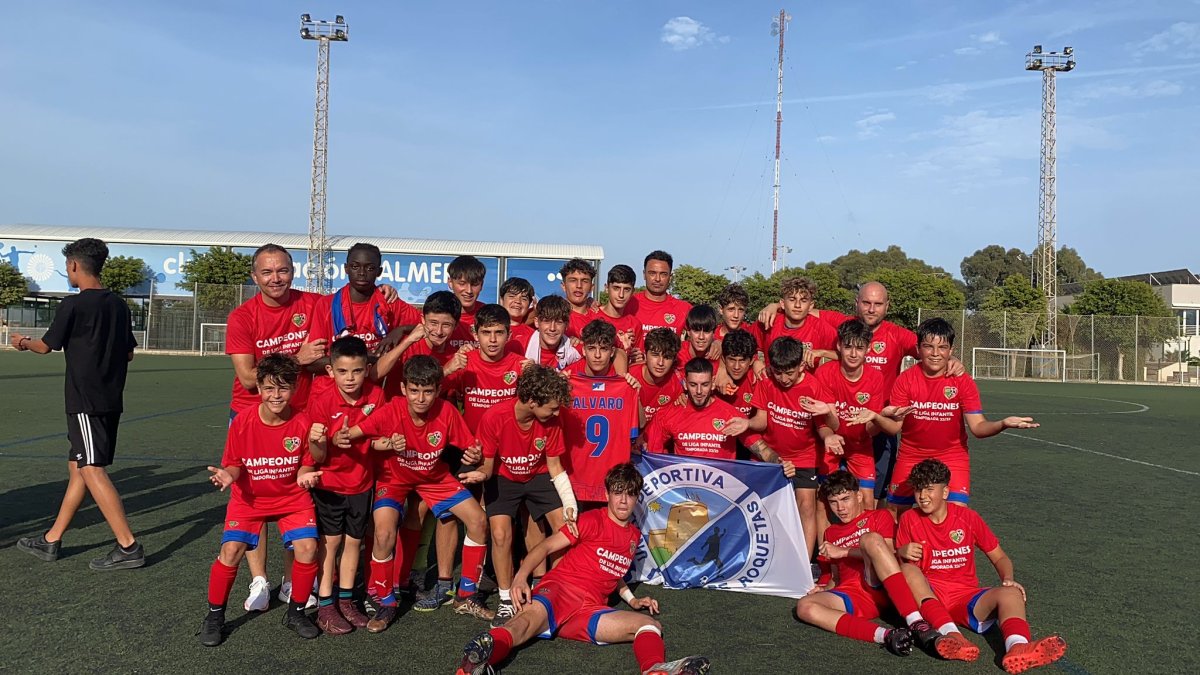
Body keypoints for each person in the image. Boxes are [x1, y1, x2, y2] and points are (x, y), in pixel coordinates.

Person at [454, 463, 710, 675]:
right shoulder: (590, 520)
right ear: (608, 494)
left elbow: (612, 573)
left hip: (589, 609)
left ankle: (655, 670)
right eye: (618, 492)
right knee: (523, 624)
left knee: (648, 625)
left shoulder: (633, 535)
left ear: (636, 498)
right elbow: (544, 547)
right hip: (561, 591)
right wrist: (521, 578)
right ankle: (476, 662)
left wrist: (633, 599)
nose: (623, 500)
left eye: (630, 494)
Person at [12, 237, 145, 570]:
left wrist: (23, 342)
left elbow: (46, 346)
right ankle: (51, 540)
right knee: (78, 469)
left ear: (73, 265)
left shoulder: (73, 305)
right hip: (111, 398)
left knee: (90, 468)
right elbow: (128, 352)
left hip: (85, 400)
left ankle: (128, 547)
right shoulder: (118, 305)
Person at [335, 355, 493, 629]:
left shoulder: (446, 411)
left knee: (478, 520)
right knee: (383, 531)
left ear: (437, 390)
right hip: (392, 479)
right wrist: (362, 440)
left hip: (434, 478)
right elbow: (352, 437)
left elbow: (470, 447)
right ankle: (386, 602)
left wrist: (474, 452)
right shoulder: (391, 410)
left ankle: (466, 596)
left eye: (428, 391)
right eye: (415, 390)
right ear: (404, 389)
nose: (421, 398)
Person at [224, 243, 326, 610]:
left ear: (292, 271)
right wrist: (298, 359)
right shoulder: (242, 317)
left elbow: (354, 302)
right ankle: (259, 582)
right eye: (266, 272)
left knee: (293, 495)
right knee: (253, 496)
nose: (275, 278)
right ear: (254, 277)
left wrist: (387, 295)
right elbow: (249, 378)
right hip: (250, 416)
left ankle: (288, 582)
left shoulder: (312, 303)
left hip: (295, 416)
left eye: (281, 270)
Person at [896, 459, 1067, 672]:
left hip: (966, 597)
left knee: (1011, 593)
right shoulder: (909, 519)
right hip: (931, 595)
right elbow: (897, 576)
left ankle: (1017, 647)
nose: (922, 496)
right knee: (908, 570)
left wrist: (1008, 578)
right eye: (918, 489)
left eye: (930, 489)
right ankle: (954, 638)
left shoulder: (968, 518)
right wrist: (900, 553)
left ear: (946, 492)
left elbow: (1000, 557)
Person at [198, 354, 323, 646]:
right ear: (259, 387)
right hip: (249, 499)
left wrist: (306, 475)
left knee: (308, 547)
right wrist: (228, 476)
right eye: (269, 388)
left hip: (291, 497)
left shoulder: (302, 422)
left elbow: (306, 463)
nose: (275, 395)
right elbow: (233, 463)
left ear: (293, 388)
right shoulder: (242, 422)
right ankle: (214, 616)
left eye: (282, 388)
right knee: (230, 550)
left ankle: (296, 612)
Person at [458, 365, 580, 626]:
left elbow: (555, 467)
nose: (558, 412)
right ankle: (505, 600)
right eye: (553, 408)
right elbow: (488, 468)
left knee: (565, 529)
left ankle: (552, 591)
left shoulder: (552, 421)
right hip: (503, 478)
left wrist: (570, 504)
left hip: (538, 476)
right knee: (501, 534)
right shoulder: (495, 417)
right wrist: (479, 475)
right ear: (533, 402)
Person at [887, 318, 1038, 512]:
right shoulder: (905, 380)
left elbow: (978, 428)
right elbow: (895, 426)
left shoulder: (962, 382)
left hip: (952, 457)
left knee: (956, 514)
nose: (935, 353)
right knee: (895, 513)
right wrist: (878, 417)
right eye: (928, 347)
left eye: (942, 347)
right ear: (918, 349)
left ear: (951, 351)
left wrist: (1003, 423)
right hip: (911, 456)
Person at [796, 471, 939, 657]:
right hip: (853, 595)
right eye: (834, 502)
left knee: (870, 539)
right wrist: (824, 589)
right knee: (805, 606)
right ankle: (887, 636)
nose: (840, 508)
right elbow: (836, 578)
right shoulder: (831, 533)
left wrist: (844, 551)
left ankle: (915, 621)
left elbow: (889, 555)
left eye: (846, 499)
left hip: (881, 585)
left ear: (859, 495)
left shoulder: (879, 517)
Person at [303, 336, 384, 634]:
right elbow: (316, 455)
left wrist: (385, 441)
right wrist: (326, 443)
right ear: (330, 371)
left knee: (354, 543)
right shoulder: (322, 402)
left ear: (367, 369)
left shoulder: (376, 396)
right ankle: (326, 605)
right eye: (343, 371)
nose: (350, 378)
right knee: (331, 543)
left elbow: (378, 436)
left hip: (362, 483)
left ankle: (347, 601)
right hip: (330, 486)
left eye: (357, 371)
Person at [741, 336, 838, 560]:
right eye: (778, 372)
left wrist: (829, 435)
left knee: (806, 506)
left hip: (804, 458)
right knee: (762, 506)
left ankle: (802, 564)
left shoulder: (814, 386)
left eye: (789, 373)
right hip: (771, 457)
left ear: (801, 365)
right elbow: (762, 421)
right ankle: (759, 558)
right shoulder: (766, 382)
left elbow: (825, 426)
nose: (783, 378)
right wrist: (747, 423)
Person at [305, 243, 422, 399]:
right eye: (355, 266)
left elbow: (430, 325)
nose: (361, 273)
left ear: (379, 271)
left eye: (370, 268)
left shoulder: (389, 301)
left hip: (375, 396)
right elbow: (312, 363)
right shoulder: (326, 305)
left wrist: (400, 330)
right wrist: (364, 361)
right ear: (346, 268)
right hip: (329, 396)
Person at [813, 319, 900, 508]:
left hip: (861, 447)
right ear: (838, 346)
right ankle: (826, 539)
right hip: (832, 443)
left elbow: (871, 431)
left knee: (868, 501)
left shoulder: (875, 377)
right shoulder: (825, 373)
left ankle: (862, 537)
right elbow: (831, 424)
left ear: (868, 349)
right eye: (848, 347)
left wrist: (876, 418)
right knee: (823, 500)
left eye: (859, 348)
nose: (853, 354)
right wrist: (829, 434)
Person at [561, 322, 643, 507]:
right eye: (591, 348)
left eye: (604, 349)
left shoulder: (624, 384)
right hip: (575, 477)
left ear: (612, 352)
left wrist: (635, 394)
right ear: (583, 350)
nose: (597, 355)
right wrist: (557, 391)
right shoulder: (568, 379)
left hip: (611, 480)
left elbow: (639, 427)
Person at [443, 303, 531, 429]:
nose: (492, 339)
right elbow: (431, 392)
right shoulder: (464, 362)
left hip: (506, 441)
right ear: (475, 334)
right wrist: (446, 370)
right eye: (486, 332)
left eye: (499, 332)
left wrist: (535, 375)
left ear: (509, 335)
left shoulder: (521, 365)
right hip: (472, 444)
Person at [644, 358, 749, 460]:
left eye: (705, 384)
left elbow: (760, 447)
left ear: (713, 383)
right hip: (683, 477)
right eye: (693, 385)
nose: (699, 391)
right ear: (685, 383)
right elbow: (653, 455)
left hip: (721, 478)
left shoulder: (731, 415)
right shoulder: (669, 414)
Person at [376, 290, 463, 399]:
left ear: (456, 326)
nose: (439, 331)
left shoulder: (456, 359)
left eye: (446, 325)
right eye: (433, 323)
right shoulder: (405, 343)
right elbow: (375, 374)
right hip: (396, 414)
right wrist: (408, 341)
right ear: (422, 319)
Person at [757, 277, 837, 370]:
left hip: (807, 384)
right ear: (782, 303)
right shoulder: (768, 322)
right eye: (792, 299)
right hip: (770, 383)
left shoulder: (820, 327)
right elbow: (743, 343)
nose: (797, 305)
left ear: (811, 305)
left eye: (803, 301)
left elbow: (848, 354)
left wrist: (822, 352)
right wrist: (756, 361)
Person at [627, 251, 692, 345]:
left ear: (670, 277)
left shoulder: (684, 308)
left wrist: (716, 342)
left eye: (663, 274)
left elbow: (705, 333)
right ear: (644, 274)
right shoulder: (628, 303)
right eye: (652, 273)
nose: (657, 279)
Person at [629, 328, 683, 429]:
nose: (660, 363)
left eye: (667, 357)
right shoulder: (629, 375)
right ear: (645, 354)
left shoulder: (678, 382)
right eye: (655, 355)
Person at [595, 264, 644, 362]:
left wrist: (637, 358)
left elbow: (638, 362)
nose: (621, 295)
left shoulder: (635, 324)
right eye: (616, 288)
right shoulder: (592, 315)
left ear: (633, 291)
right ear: (606, 288)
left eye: (626, 289)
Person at [523, 295, 580, 370]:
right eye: (546, 321)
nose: (552, 328)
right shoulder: (520, 346)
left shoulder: (576, 351)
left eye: (559, 322)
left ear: (566, 325)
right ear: (536, 322)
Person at [560, 258, 602, 339]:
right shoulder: (553, 315)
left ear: (591, 287)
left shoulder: (601, 317)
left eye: (585, 281)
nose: (579, 285)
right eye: (573, 280)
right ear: (563, 286)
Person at [675, 305, 720, 373]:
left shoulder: (719, 357)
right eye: (696, 331)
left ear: (713, 333)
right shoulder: (676, 353)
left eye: (706, 331)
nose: (701, 337)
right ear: (688, 332)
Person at [498, 277, 537, 353]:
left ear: (529, 305)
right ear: (501, 300)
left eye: (524, 299)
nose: (517, 301)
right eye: (512, 296)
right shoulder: (489, 328)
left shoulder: (533, 335)